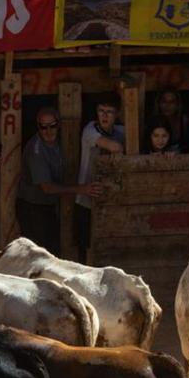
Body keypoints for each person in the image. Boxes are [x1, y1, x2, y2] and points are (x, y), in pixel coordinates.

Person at [17, 106, 102, 254]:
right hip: (33, 208)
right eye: (43, 127)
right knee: (39, 254)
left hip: (49, 206)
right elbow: (47, 187)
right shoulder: (36, 150)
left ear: (59, 125)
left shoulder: (61, 142)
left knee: (52, 250)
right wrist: (81, 189)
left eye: (52, 126)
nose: (48, 131)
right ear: (38, 127)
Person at [74, 93, 125, 261]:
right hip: (87, 199)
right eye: (101, 111)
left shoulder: (120, 130)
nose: (104, 115)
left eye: (109, 112)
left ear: (116, 114)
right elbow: (114, 146)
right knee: (86, 250)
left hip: (111, 200)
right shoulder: (90, 130)